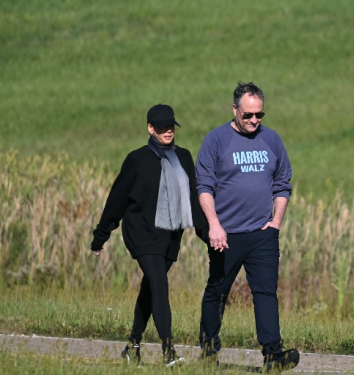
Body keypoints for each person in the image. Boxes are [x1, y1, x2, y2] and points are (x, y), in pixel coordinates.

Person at [91, 104, 208, 367]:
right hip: (141, 232)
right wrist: (101, 235)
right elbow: (117, 200)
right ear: (150, 128)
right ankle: (168, 353)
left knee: (150, 288)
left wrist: (210, 235)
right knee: (160, 287)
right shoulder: (137, 159)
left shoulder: (184, 158)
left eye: (171, 126)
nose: (168, 131)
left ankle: (132, 346)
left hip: (169, 236)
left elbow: (192, 201)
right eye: (162, 126)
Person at [195, 82, 299, 371]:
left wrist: (275, 224)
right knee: (217, 292)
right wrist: (214, 225)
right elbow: (203, 186)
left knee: (265, 292)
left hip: (262, 234)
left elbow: (282, 184)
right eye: (248, 115)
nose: (254, 120)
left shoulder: (272, 140)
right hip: (225, 234)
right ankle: (207, 353)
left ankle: (273, 354)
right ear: (235, 110)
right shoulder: (216, 140)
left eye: (260, 115)